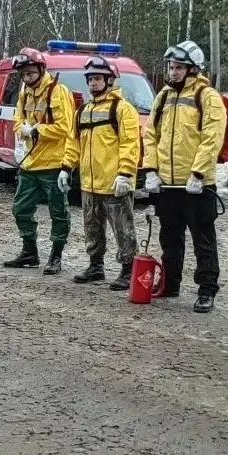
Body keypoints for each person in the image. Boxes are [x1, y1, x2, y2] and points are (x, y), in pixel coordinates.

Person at [141, 41, 228, 313]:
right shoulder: (164, 96)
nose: (173, 72)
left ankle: (207, 290)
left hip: (197, 186)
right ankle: (170, 283)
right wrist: (151, 169)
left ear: (192, 69)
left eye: (179, 67)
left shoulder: (207, 96)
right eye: (171, 67)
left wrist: (198, 173)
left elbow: (212, 137)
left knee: (204, 240)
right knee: (169, 238)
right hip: (168, 184)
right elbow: (151, 134)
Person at [57, 55, 140, 289]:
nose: (93, 83)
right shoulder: (82, 111)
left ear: (109, 80)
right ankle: (96, 266)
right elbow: (73, 143)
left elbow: (130, 143)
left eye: (97, 78)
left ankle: (128, 270)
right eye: (90, 79)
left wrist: (125, 173)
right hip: (89, 183)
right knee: (92, 227)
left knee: (123, 228)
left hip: (114, 183)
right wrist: (66, 167)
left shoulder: (122, 109)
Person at [2, 47, 76, 276]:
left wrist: (36, 131)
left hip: (53, 164)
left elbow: (65, 127)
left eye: (31, 73)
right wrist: (22, 131)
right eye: (23, 74)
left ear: (41, 70)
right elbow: (17, 120)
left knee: (58, 212)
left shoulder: (57, 91)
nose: (27, 78)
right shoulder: (25, 93)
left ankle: (56, 256)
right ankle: (29, 252)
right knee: (20, 208)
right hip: (31, 162)